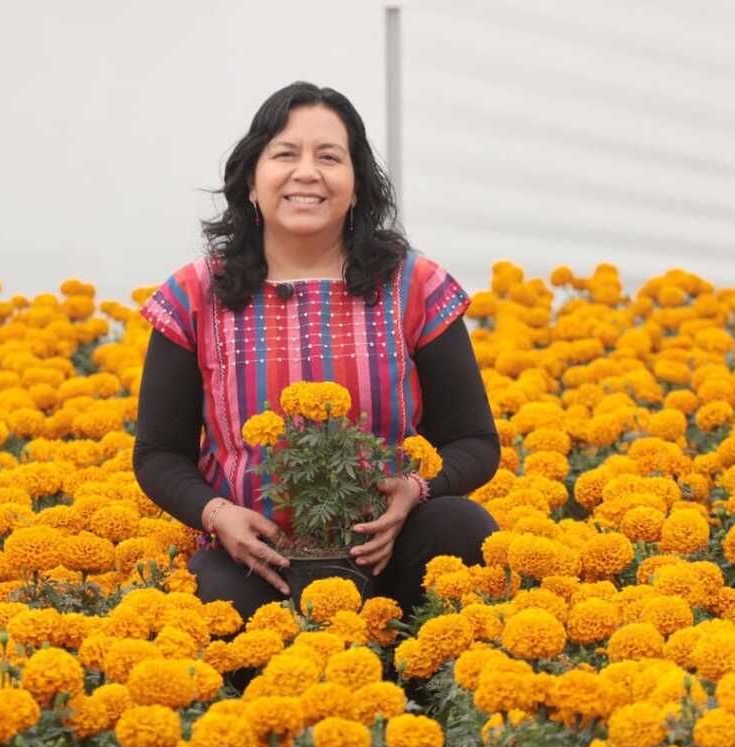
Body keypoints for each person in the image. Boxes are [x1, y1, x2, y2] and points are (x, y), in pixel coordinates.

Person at [133, 81, 500, 623]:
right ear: (252, 181)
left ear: (356, 186)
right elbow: (159, 454)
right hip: (259, 559)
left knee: (463, 531)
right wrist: (217, 516)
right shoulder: (195, 295)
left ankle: (414, 679)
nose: (307, 172)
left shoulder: (412, 286)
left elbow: (475, 442)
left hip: (388, 550)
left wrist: (415, 491)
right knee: (217, 600)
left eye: (329, 156)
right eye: (285, 154)